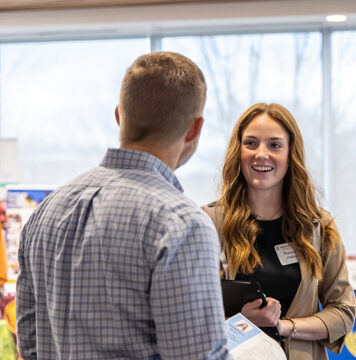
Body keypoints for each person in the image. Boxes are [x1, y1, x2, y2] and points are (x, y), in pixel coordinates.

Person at [16, 52, 229, 359]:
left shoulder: (46, 211)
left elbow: (29, 344)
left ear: (119, 115)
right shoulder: (181, 223)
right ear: (194, 129)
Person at [202, 103, 355, 360]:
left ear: (290, 154)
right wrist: (241, 323)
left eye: (275, 145)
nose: (261, 153)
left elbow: (343, 311)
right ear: (237, 152)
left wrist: (283, 326)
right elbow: (188, 312)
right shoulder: (209, 222)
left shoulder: (319, 226)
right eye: (251, 143)